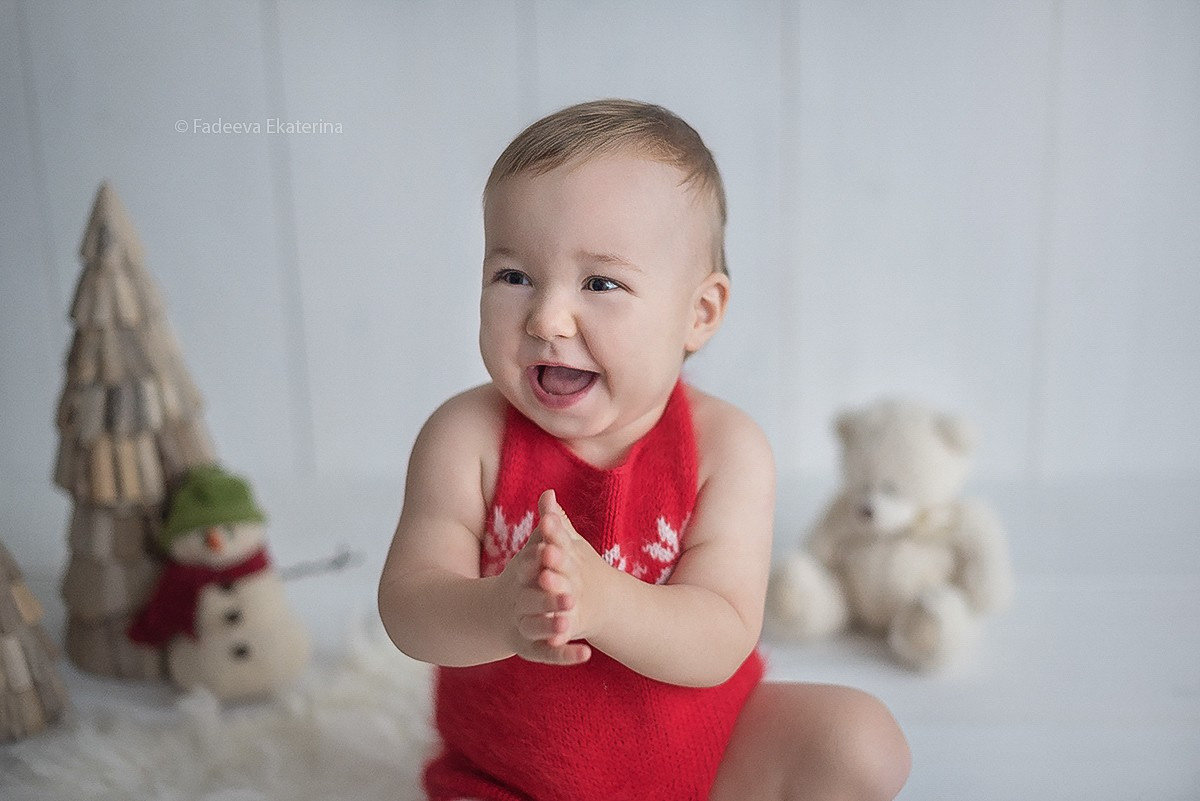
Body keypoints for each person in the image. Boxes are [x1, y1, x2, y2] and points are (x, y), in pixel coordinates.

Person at [378, 99, 911, 801]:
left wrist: (603, 602)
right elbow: (408, 606)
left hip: (704, 752)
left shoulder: (727, 450)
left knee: (863, 743)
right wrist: (497, 611)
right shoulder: (466, 438)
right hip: (513, 772)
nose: (546, 317)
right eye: (514, 276)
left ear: (700, 313)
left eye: (600, 283)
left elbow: (720, 634)